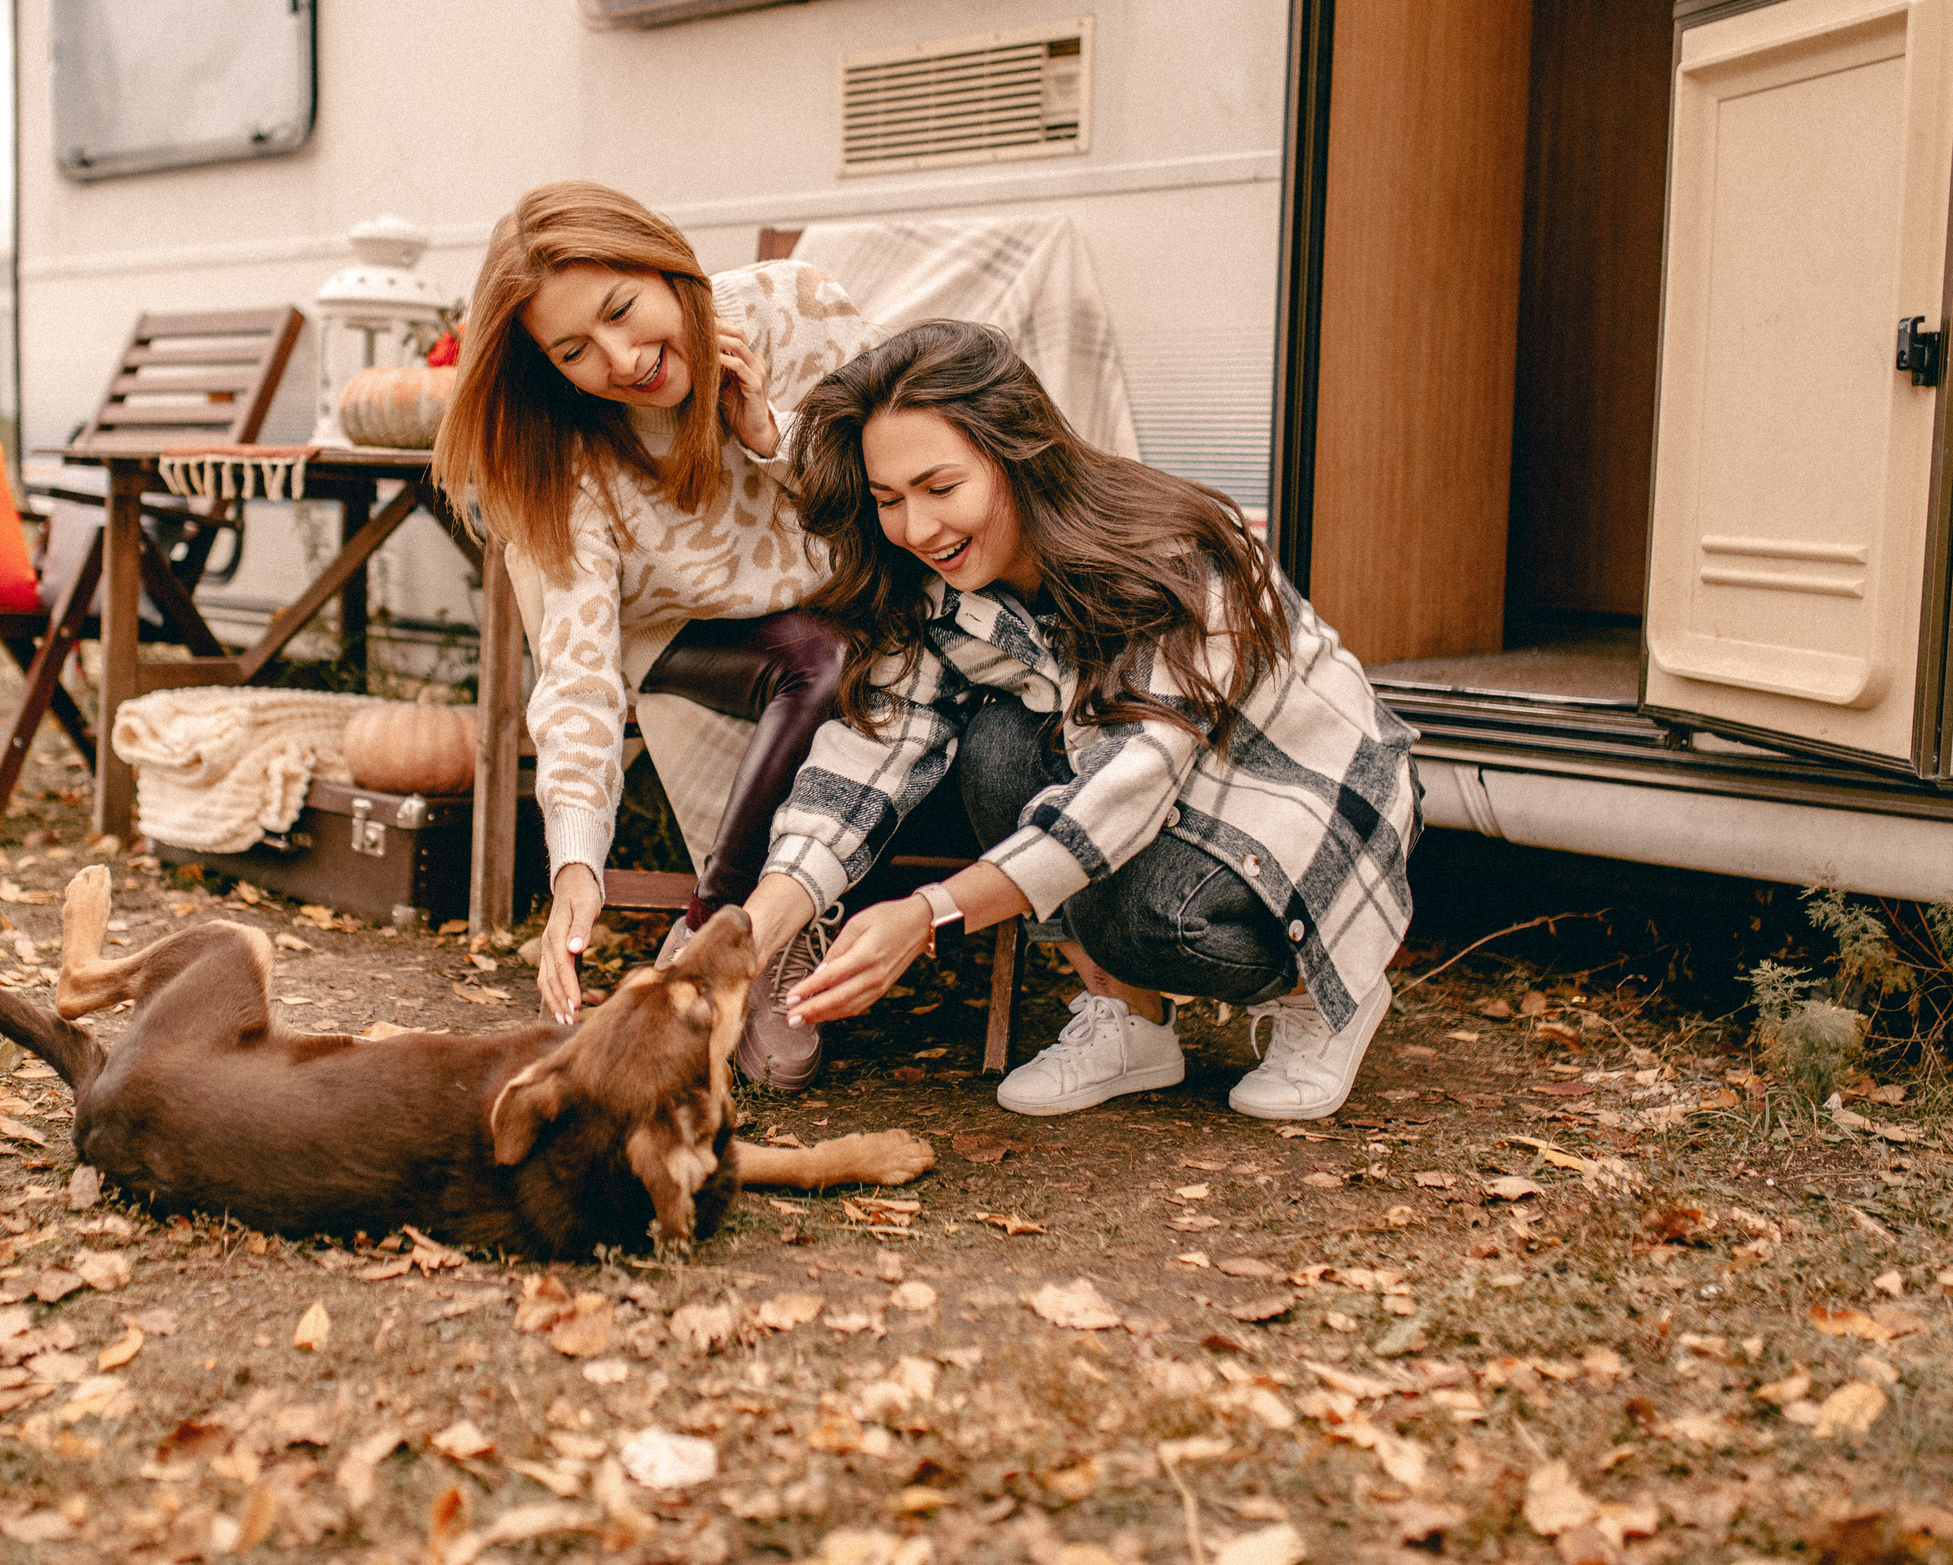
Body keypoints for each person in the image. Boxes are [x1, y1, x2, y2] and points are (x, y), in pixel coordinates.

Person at [735, 320, 1418, 1120]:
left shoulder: (1166, 557)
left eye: (940, 488)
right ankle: (1129, 1018)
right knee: (995, 744)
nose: (917, 529)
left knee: (1146, 916)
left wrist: (926, 916)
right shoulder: (940, 588)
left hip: (1306, 800)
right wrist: (752, 932)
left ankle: (1321, 993)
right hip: (1172, 786)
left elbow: (1131, 782)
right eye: (889, 500)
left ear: (1017, 455)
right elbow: (872, 747)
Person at [433, 181, 882, 1089]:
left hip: (834, 596)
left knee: (847, 645)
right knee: (823, 660)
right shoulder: (572, 453)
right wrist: (575, 869)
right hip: (675, 630)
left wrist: (769, 435)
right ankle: (731, 933)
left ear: (663, 262)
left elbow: (901, 491)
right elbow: (578, 671)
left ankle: (721, 939)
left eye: (621, 309)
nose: (622, 358)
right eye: (574, 351)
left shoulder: (795, 310)